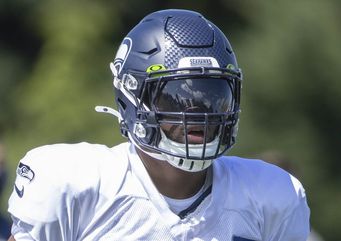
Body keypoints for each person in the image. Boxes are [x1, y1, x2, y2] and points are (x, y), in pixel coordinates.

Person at [7, 9, 310, 241]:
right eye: (177, 97)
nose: (198, 115)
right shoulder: (74, 184)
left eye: (212, 97)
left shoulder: (271, 196)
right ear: (133, 96)